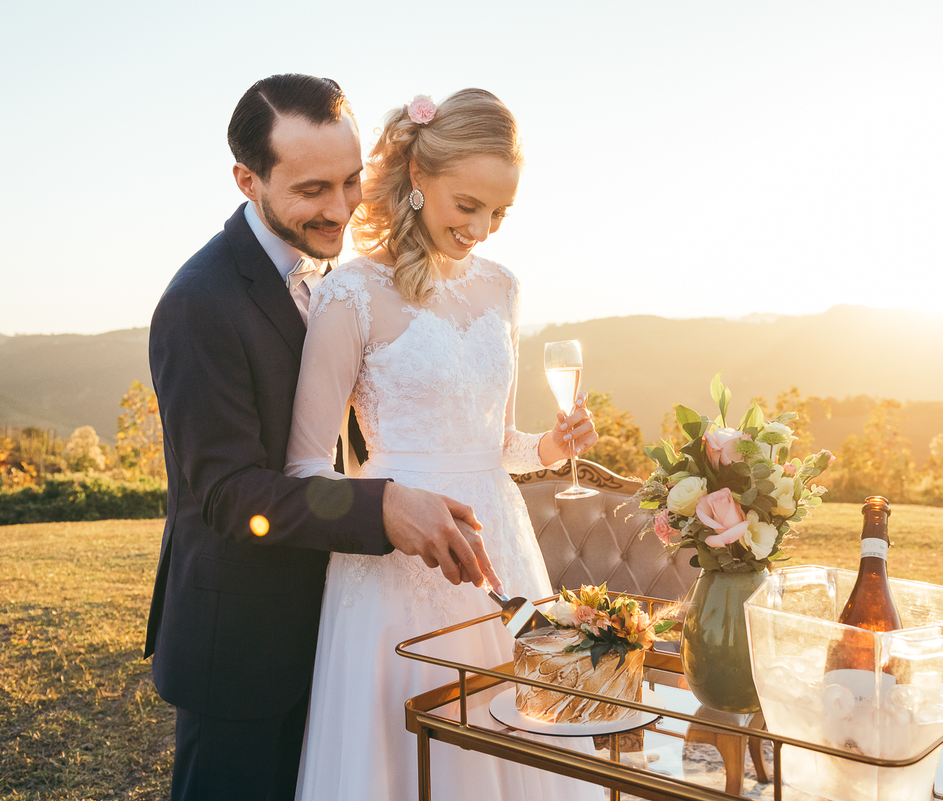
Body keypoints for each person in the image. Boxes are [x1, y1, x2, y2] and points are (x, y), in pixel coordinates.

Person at [145, 74, 504, 801]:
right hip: (240, 648)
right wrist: (382, 508)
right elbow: (228, 494)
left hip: (338, 623)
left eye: (350, 182)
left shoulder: (334, 277)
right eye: (312, 190)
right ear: (248, 179)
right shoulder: (198, 303)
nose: (339, 208)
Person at [286, 89, 604, 800]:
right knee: (412, 757)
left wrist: (551, 446)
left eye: (500, 212)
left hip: (500, 553)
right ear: (420, 179)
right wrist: (389, 509)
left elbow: (497, 445)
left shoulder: (502, 289)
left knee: (522, 745)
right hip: (393, 572)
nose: (483, 228)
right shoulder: (351, 296)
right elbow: (303, 471)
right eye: (468, 206)